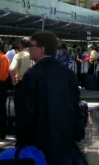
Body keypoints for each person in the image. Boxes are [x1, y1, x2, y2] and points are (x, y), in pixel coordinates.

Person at [16, 31, 84, 165]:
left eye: (32, 45)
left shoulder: (31, 76)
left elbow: (26, 113)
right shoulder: (68, 74)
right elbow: (76, 106)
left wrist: (22, 143)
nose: (29, 49)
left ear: (42, 48)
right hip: (65, 140)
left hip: (39, 143)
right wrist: (77, 133)